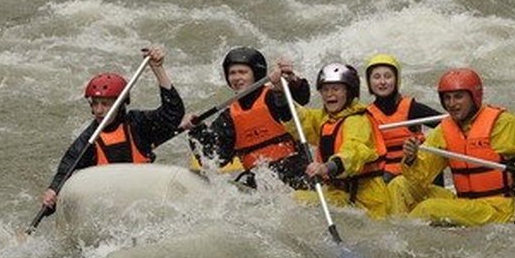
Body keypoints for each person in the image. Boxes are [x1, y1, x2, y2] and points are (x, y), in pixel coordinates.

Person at [391, 68, 515, 226]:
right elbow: (421, 176)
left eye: (458, 97)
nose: (452, 104)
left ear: (474, 97)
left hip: (497, 208)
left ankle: (403, 242)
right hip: (464, 202)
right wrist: (411, 159)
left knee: (428, 209)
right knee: (399, 185)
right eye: (447, 98)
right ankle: (395, 237)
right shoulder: (445, 129)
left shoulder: (502, 123)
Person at [41, 45, 184, 210]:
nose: (99, 110)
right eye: (95, 104)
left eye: (106, 104)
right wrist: (52, 193)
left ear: (121, 104)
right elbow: (65, 172)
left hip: (143, 201)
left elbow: (173, 113)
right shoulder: (88, 140)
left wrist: (158, 69)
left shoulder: (138, 124)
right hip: (110, 208)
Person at [182, 47, 311, 189]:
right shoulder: (229, 117)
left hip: (296, 173)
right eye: (232, 73)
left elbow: (301, 97)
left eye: (242, 72)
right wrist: (196, 129)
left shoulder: (274, 96)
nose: (236, 78)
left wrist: (291, 79)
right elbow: (212, 158)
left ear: (256, 74)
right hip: (259, 182)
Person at [278, 62, 392, 220]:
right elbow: (301, 120)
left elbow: (354, 153)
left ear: (349, 92)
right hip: (338, 193)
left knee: (299, 200)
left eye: (336, 89)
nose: (329, 94)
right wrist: (280, 91)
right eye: (325, 89)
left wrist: (327, 167)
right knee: (293, 198)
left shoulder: (357, 120)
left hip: (366, 201)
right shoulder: (326, 119)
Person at [364, 54, 444, 182]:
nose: (382, 82)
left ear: (396, 80)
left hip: (415, 169)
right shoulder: (366, 115)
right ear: (369, 82)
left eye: (388, 76)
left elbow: (446, 124)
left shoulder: (411, 108)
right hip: (387, 174)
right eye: (376, 77)